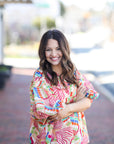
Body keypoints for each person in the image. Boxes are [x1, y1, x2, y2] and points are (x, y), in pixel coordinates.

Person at [29, 29, 99, 144]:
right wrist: (77, 102)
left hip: (77, 138)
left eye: (58, 49)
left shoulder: (72, 72)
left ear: (64, 49)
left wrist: (69, 108)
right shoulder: (39, 76)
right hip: (50, 139)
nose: (54, 54)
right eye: (48, 50)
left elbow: (88, 100)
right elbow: (48, 112)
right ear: (43, 51)